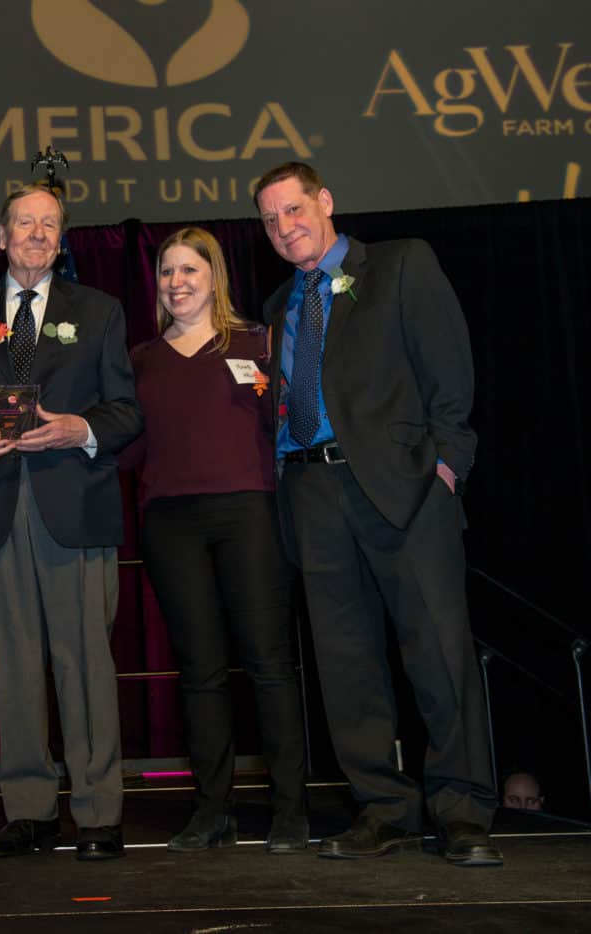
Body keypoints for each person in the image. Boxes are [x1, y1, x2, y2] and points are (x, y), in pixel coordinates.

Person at [253, 161, 499, 866]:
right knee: (346, 665)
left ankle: (461, 811)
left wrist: (445, 472)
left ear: (325, 202)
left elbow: (450, 376)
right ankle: (384, 808)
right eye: (270, 220)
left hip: (403, 491)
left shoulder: (398, 265)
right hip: (311, 493)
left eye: (294, 209)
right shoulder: (278, 305)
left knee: (439, 655)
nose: (285, 227)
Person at [0, 184, 142, 861]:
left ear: (61, 239)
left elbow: (126, 410)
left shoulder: (100, 311)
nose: (36, 234)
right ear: (1, 237)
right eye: (24, 222)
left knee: (85, 663)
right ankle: (28, 811)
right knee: (15, 667)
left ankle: (99, 812)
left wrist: (81, 427)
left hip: (72, 503)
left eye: (49, 224)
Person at [121, 227, 308, 854]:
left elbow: (289, 425)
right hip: (170, 524)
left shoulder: (259, 342)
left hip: (249, 514)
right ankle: (211, 812)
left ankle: (290, 811)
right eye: (166, 272)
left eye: (189, 270)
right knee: (199, 672)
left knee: (269, 664)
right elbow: (126, 446)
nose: (176, 283)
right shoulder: (141, 359)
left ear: (214, 277)